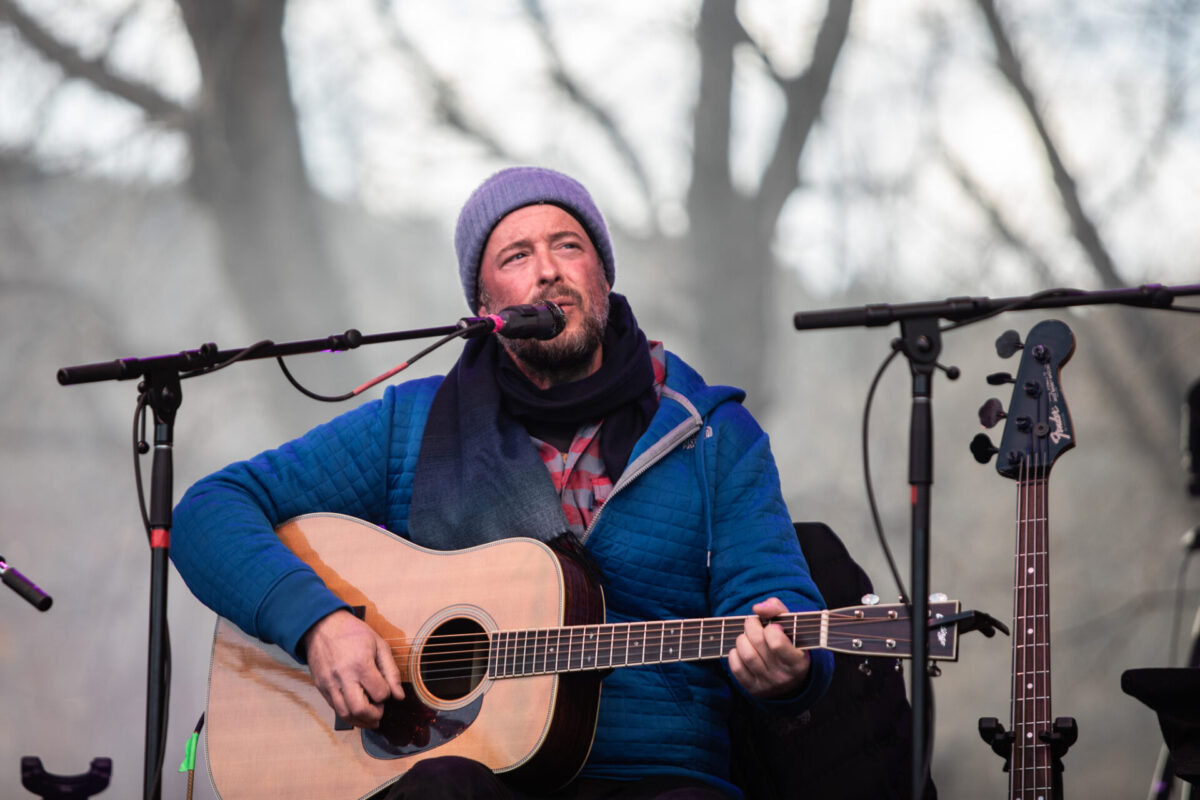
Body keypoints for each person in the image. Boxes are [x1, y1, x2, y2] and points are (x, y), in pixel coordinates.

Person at [171, 166, 834, 799]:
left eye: (568, 246)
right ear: (486, 304)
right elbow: (210, 510)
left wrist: (789, 668)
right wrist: (319, 625)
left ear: (602, 275)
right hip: (461, 772)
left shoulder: (712, 430)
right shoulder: (413, 423)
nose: (548, 268)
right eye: (516, 255)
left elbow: (774, 599)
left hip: (658, 773)